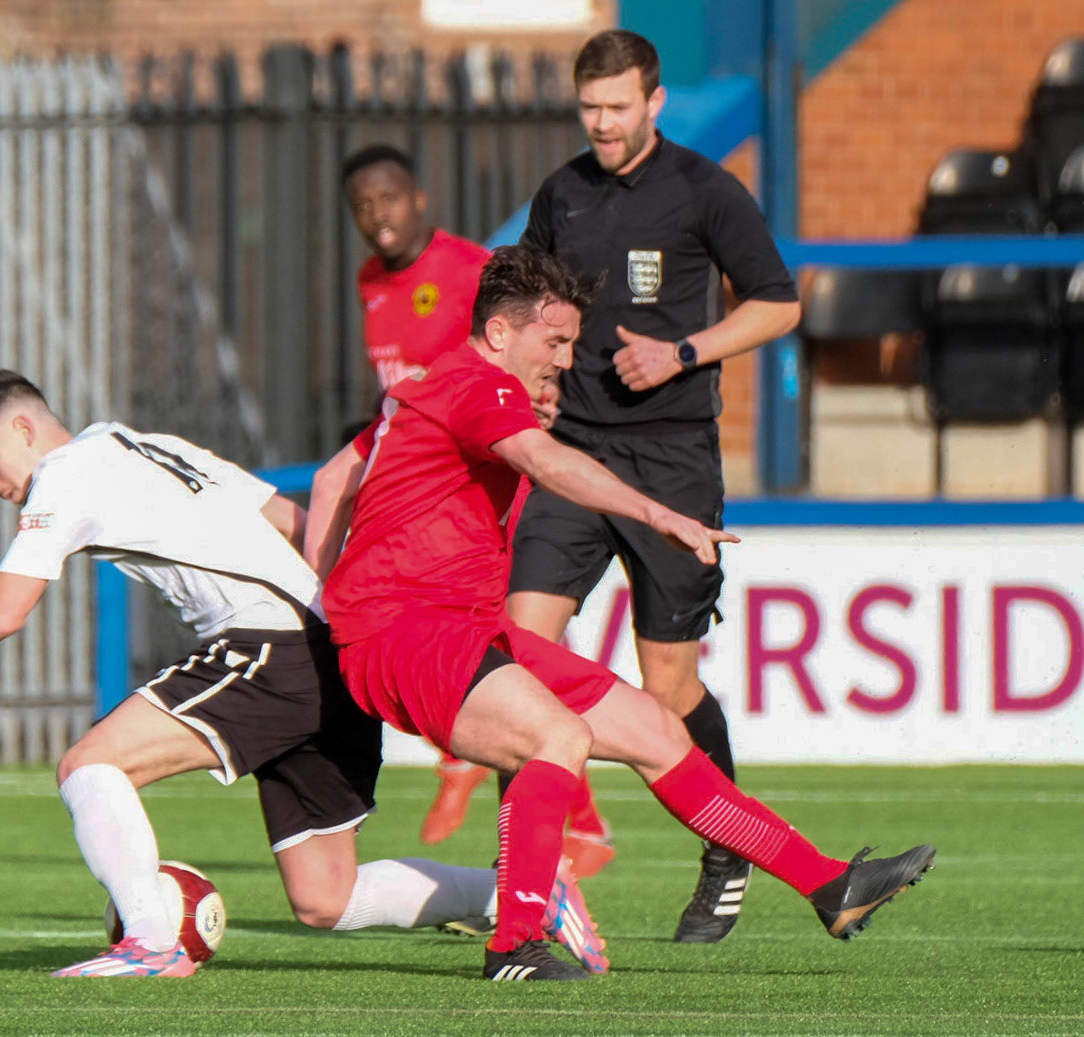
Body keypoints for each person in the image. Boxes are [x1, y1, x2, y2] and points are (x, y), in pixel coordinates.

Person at [306, 246, 935, 982]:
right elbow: (547, 463)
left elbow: (330, 478)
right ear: (502, 333)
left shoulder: (436, 386)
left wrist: (319, 603)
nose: (568, 361)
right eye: (557, 341)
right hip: (407, 632)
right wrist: (655, 513)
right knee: (556, 737)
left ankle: (829, 884)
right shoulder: (480, 385)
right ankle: (513, 945)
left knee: (656, 729)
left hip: (460, 625)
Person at [0, 369, 606, 979]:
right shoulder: (142, 443)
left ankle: (152, 937)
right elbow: (294, 516)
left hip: (269, 646)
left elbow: (3, 612)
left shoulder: (65, 477)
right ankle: (522, 895)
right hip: (329, 649)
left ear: (24, 427)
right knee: (326, 896)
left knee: (90, 763)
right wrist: (335, 614)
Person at [507, 28, 804, 944]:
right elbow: (526, 301)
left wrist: (682, 351)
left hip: (674, 459)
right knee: (516, 652)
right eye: (589, 108)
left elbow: (778, 302)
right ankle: (531, 873)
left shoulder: (705, 191)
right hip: (578, 454)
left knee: (668, 688)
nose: (601, 124)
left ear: (655, 101)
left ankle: (728, 850)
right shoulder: (561, 193)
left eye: (618, 107)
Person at [342, 142, 613, 871]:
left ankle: (560, 831)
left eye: (389, 198)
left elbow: (523, 353)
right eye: (363, 206)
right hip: (428, 471)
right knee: (484, 655)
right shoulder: (371, 280)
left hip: (483, 468)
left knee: (508, 651)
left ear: (419, 199)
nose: (378, 216)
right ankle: (533, 835)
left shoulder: (466, 269)